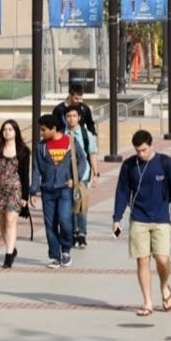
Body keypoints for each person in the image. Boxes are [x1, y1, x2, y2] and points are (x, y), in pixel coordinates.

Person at [112, 129, 171, 317]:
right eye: (137, 150)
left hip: (161, 218)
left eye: (144, 150)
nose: (140, 154)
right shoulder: (129, 166)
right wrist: (117, 218)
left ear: (151, 145)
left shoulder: (165, 163)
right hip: (138, 218)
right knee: (142, 260)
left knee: (162, 259)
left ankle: (164, 286)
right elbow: (122, 192)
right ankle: (147, 302)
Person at [29, 113, 86, 268]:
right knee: (50, 224)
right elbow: (36, 170)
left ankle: (66, 250)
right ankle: (55, 255)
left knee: (65, 220)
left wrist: (75, 178)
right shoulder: (40, 147)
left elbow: (82, 161)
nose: (41, 133)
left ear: (53, 128)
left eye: (43, 130)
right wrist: (33, 191)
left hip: (65, 190)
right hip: (47, 191)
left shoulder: (71, 142)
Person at [0, 118, 29, 268]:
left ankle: (8, 256)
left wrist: (25, 197)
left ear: (16, 132)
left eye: (10, 129)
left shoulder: (23, 151)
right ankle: (12, 247)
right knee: (2, 224)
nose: (7, 132)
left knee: (10, 221)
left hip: (15, 190)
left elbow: (25, 176)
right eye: (5, 129)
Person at [65, 105, 98, 247]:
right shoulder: (63, 134)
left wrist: (95, 174)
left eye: (74, 116)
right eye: (68, 116)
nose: (71, 119)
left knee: (81, 205)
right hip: (67, 177)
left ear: (79, 118)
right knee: (70, 206)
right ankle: (72, 232)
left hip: (82, 175)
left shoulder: (86, 135)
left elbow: (92, 154)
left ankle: (82, 233)